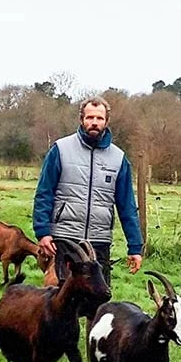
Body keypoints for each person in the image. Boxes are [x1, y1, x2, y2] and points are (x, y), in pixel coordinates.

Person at [32, 95, 143, 287]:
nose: (94, 122)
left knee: (97, 300)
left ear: (106, 122)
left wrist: (135, 247)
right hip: (65, 238)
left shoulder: (119, 159)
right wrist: (43, 232)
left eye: (99, 118)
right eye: (89, 117)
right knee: (63, 300)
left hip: (99, 241)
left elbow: (127, 206)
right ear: (81, 119)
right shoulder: (61, 149)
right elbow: (44, 193)